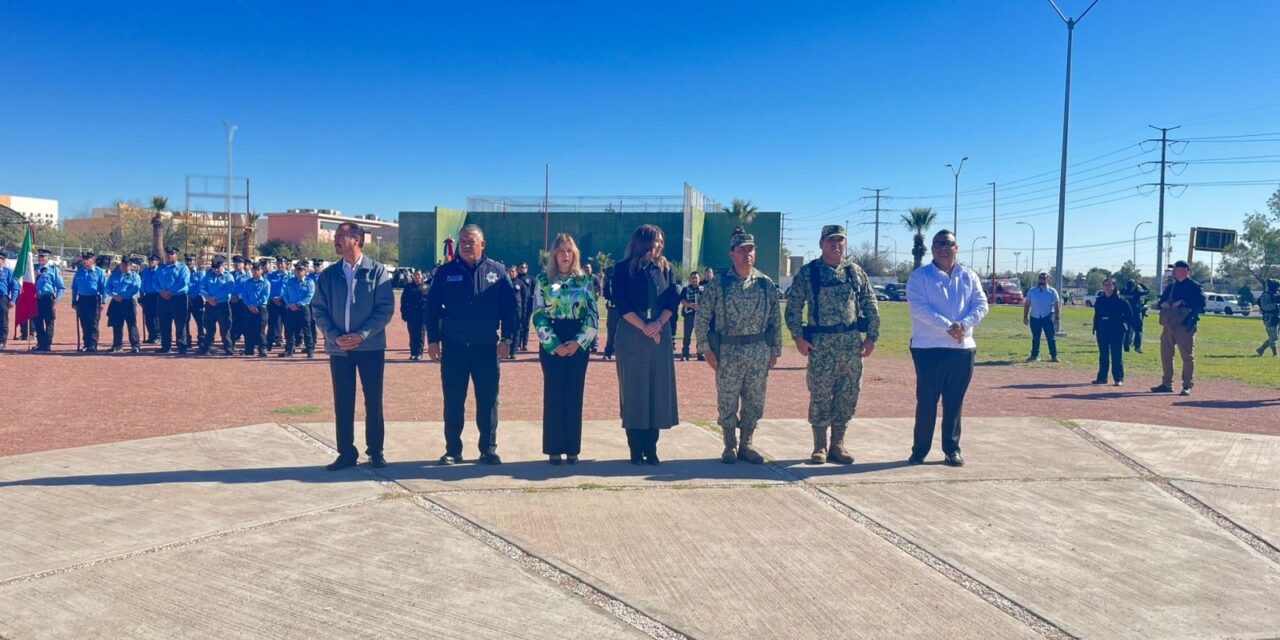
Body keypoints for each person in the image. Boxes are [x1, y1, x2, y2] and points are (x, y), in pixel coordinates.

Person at [784, 224, 880, 465]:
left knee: (848, 395)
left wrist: (871, 337)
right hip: (821, 346)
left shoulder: (855, 272)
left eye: (840, 240)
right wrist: (798, 337)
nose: (836, 245)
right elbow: (793, 306)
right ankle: (820, 446)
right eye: (831, 240)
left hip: (851, 345)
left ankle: (838, 445)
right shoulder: (809, 273)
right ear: (821, 244)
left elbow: (870, 303)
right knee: (820, 395)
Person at [424, 224, 518, 465]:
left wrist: (507, 340)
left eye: (471, 241)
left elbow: (510, 309)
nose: (466, 246)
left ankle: (488, 449)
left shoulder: (497, 271)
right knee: (453, 401)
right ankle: (453, 450)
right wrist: (432, 340)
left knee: (488, 400)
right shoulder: (445, 272)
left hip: (485, 348)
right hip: (454, 347)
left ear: (482, 245)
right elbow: (432, 308)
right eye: (463, 241)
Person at [312, 221, 395, 470]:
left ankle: (376, 451)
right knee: (343, 402)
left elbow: (385, 309)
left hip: (370, 348)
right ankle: (346, 453)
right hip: (339, 349)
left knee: (373, 401)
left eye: (340, 236)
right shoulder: (329, 275)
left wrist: (362, 335)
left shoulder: (376, 271)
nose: (335, 240)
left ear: (356, 239)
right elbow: (319, 309)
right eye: (336, 236)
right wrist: (334, 336)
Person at [697, 232, 782, 464]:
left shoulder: (765, 284)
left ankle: (747, 444)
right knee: (727, 400)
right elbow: (702, 318)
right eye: (742, 250)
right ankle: (729, 445)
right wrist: (705, 349)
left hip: (758, 351)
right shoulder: (719, 283)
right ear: (732, 254)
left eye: (750, 249)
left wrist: (775, 350)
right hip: (728, 353)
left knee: (755, 401)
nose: (747, 254)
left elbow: (775, 319)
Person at [906, 229, 988, 467]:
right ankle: (920, 450)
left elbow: (981, 305)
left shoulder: (969, 276)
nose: (943, 248)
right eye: (938, 244)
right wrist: (948, 327)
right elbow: (919, 308)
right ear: (932, 249)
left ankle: (951, 450)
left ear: (956, 248)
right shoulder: (920, 276)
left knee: (954, 402)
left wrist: (964, 325)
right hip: (928, 348)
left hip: (962, 348)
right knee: (927, 402)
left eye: (948, 243)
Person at [611, 224, 681, 465]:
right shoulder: (622, 269)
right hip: (632, 332)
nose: (659, 245)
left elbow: (673, 301)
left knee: (657, 391)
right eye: (655, 241)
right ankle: (635, 448)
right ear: (642, 242)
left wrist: (657, 325)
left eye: (661, 241)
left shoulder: (666, 269)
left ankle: (651, 448)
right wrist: (645, 327)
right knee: (635, 390)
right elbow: (622, 304)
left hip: (660, 333)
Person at [532, 233, 598, 465]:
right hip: (552, 340)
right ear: (554, 254)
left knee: (573, 395)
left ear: (575, 254)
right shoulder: (543, 280)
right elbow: (538, 314)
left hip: (577, 341)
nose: (565, 255)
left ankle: (572, 449)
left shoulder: (584, 281)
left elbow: (592, 314)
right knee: (554, 395)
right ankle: (553, 448)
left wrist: (579, 342)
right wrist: (554, 344)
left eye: (569, 250)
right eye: (561, 250)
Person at [1152, 260, 1206, 396]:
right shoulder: (1172, 287)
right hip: (1169, 325)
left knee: (1187, 356)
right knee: (1166, 354)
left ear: (1185, 270)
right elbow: (1160, 302)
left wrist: (1183, 302)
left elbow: (1201, 305)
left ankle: (1187, 385)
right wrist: (1163, 304)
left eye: (1176, 269)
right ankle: (1166, 384)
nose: (1173, 271)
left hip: (1185, 326)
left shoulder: (1194, 287)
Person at [1091, 278, 1132, 386]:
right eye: (1105, 285)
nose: (1107, 287)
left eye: (1110, 285)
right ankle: (1102, 378)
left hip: (1117, 331)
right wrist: (1095, 327)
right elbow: (1097, 315)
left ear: (1114, 286)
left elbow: (1129, 315)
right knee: (1103, 354)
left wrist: (1121, 323)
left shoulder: (1121, 300)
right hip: (1102, 330)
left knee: (1116, 355)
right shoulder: (1100, 300)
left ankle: (1118, 378)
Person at [155, 247, 191, 354]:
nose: (169, 256)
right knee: (164, 322)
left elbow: (183, 282)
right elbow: (154, 282)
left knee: (180, 323)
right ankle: (166, 346)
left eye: (172, 254)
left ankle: (182, 346)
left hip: (178, 298)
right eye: (168, 254)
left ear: (176, 255)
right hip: (163, 298)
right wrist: (161, 291)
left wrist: (170, 292)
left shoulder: (182, 267)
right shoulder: (161, 268)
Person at [197, 258, 236, 356]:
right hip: (210, 305)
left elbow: (228, 289)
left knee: (225, 328)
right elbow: (201, 287)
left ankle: (228, 348)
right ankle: (207, 348)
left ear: (223, 266)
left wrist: (215, 297)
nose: (216, 270)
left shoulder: (228, 276)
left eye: (218, 268)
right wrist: (208, 298)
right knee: (209, 328)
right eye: (214, 268)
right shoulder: (208, 275)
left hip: (223, 305)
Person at [71, 251, 107, 353]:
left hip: (94, 299)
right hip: (82, 299)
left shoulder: (99, 272)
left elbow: (104, 288)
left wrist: (103, 301)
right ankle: (86, 344)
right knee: (84, 322)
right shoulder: (79, 272)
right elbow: (74, 287)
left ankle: (92, 345)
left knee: (93, 323)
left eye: (87, 260)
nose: (85, 262)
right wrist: (74, 300)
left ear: (93, 261)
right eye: (84, 260)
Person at [104, 258, 143, 353]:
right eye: (123, 265)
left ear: (130, 266)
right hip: (116, 302)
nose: (125, 267)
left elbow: (135, 288)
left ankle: (135, 346)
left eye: (127, 265)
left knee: (131, 324)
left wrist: (123, 296)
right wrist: (114, 295)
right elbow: (108, 287)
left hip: (128, 302)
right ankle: (117, 345)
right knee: (117, 324)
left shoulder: (135, 276)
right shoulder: (114, 275)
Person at [1022, 271, 1061, 363]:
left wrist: (1057, 318)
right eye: (1040, 278)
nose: (1042, 280)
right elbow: (1027, 304)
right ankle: (1034, 356)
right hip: (1035, 317)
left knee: (1051, 337)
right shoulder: (1032, 291)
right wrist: (1025, 317)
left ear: (1048, 280)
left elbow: (1056, 305)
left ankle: (1054, 356)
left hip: (1048, 317)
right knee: (1036, 337)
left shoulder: (1052, 291)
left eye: (1044, 278)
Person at [279, 261, 316, 358]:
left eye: (301, 270)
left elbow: (309, 296)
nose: (299, 272)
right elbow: (285, 294)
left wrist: (298, 304)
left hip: (303, 308)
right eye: (297, 270)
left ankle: (309, 350)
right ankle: (289, 350)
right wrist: (290, 304)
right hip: (291, 308)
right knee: (289, 329)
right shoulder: (290, 281)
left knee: (306, 329)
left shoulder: (309, 281)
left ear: (305, 271)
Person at [32, 251, 65, 352]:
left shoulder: (53, 270)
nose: (41, 258)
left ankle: (47, 344)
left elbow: (61, 287)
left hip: (48, 298)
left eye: (43, 256)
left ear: (48, 258)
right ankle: (40, 343)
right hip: (36, 299)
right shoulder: (33, 268)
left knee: (49, 321)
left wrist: (57, 299)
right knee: (37, 322)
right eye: (39, 256)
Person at [239, 262, 271, 357]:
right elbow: (244, 295)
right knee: (248, 329)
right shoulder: (247, 282)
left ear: (261, 271)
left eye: (257, 270)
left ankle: (262, 348)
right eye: (254, 270)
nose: (255, 272)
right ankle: (249, 349)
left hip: (261, 308)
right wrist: (250, 305)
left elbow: (264, 297)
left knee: (260, 329)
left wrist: (255, 305)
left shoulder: (265, 283)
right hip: (249, 308)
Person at [400, 269, 428, 360]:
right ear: (412, 276)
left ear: (422, 276)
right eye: (415, 275)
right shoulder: (408, 287)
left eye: (419, 275)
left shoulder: (426, 286)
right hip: (411, 314)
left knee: (420, 334)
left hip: (422, 314)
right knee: (412, 334)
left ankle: (419, 353)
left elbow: (429, 301)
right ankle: (413, 353)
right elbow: (403, 301)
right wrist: (404, 313)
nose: (417, 276)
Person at [678, 271, 704, 361]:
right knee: (687, 336)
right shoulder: (685, 289)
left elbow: (707, 301)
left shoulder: (704, 289)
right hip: (689, 315)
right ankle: (685, 354)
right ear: (690, 279)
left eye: (696, 278)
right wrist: (691, 305)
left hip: (700, 316)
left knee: (700, 335)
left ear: (699, 279)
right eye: (693, 278)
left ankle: (700, 354)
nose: (694, 280)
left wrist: (700, 307)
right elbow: (682, 300)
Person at [1121, 279, 1151, 353]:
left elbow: (1121, 291)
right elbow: (1147, 290)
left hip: (1126, 314)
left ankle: (1126, 347)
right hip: (1136, 314)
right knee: (1139, 331)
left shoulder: (1124, 292)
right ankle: (1137, 347)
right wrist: (1141, 284)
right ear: (1134, 286)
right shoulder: (1137, 292)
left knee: (1127, 331)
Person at [266, 256, 288, 351]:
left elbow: (291, 290)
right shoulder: (270, 276)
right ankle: (268, 345)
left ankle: (289, 346)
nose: (280, 265)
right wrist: (272, 298)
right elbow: (267, 288)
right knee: (272, 324)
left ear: (286, 265)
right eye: (278, 263)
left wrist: (281, 298)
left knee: (288, 325)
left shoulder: (290, 276)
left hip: (286, 302)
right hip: (273, 302)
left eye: (282, 264)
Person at [183, 255, 204, 351]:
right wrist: (188, 297)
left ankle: (202, 340)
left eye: (191, 260)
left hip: (197, 299)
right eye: (187, 260)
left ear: (194, 261)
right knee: (185, 321)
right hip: (185, 298)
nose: (189, 262)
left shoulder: (200, 273)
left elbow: (200, 286)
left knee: (200, 321)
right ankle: (187, 340)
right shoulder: (183, 272)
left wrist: (192, 297)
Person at [138, 254, 160, 344]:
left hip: (157, 295)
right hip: (147, 296)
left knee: (157, 317)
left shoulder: (160, 271)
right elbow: (142, 284)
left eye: (153, 260)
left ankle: (158, 336)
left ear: (157, 261)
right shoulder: (145, 271)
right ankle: (151, 336)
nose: (151, 262)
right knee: (148, 317)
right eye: (150, 260)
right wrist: (141, 296)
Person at [1254, 278, 1279, 357]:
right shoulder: (1266, 295)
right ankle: (1274, 353)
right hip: (1269, 318)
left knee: (1274, 337)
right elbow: (1264, 306)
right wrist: (1275, 305)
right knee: (1273, 337)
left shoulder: (1275, 294)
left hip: (1276, 317)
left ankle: (1261, 349)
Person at [506, 265, 527, 360]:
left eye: (513, 271)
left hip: (518, 311)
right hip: (507, 312)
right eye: (510, 271)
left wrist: (524, 313)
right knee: (507, 332)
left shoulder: (520, 283)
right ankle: (507, 351)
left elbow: (524, 299)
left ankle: (513, 352)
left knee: (516, 332)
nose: (511, 273)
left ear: (516, 273)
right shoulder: (505, 283)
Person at [601, 263, 619, 360]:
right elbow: (606, 295)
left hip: (621, 309)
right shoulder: (609, 282)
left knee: (621, 331)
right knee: (611, 331)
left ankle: (614, 351)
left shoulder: (619, 281)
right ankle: (608, 351)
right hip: (613, 308)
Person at [517, 262, 535, 352]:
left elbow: (535, 291)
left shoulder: (531, 278)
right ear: (518, 268)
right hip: (518, 306)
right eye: (521, 267)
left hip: (528, 305)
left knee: (526, 325)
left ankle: (524, 344)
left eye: (525, 267)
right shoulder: (516, 278)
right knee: (518, 325)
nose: (523, 269)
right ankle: (517, 344)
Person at [0, 253, 16, 349]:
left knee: (3, 320)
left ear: (3, 261)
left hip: (2, 298)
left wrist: (13, 300)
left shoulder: (8, 272)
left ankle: (2, 341)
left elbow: (14, 287)